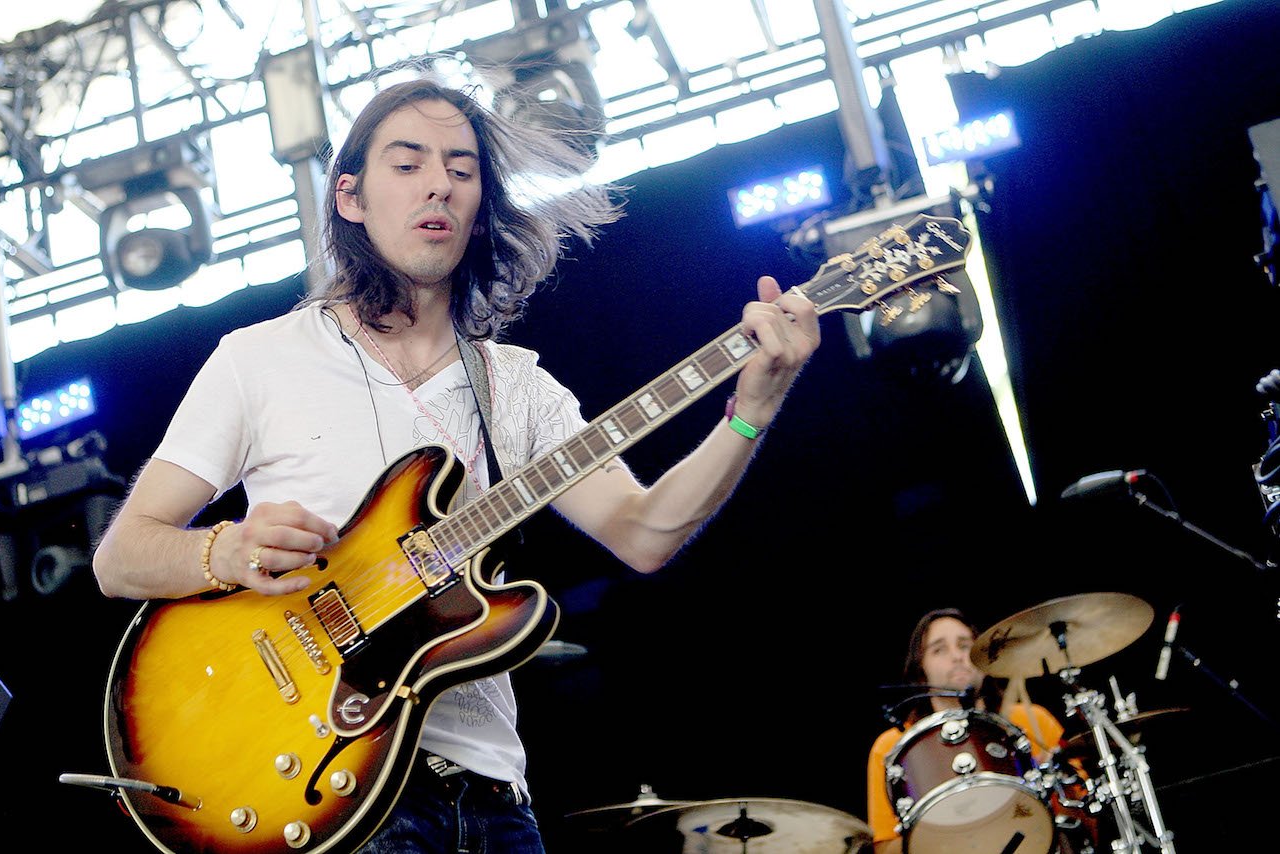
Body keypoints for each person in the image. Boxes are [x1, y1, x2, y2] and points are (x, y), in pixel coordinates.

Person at [91, 71, 820, 854]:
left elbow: (644, 534)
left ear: (478, 214)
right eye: (407, 165)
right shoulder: (260, 359)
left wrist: (753, 413)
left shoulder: (518, 387)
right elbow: (121, 558)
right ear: (350, 198)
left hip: (493, 802)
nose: (438, 185)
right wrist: (224, 549)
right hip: (329, 793)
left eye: (462, 170)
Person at [865, 608, 1081, 854]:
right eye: (939, 649)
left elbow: (1084, 812)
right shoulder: (892, 746)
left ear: (982, 656)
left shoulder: (1032, 721)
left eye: (965, 645)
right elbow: (883, 847)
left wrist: (1055, 783)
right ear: (920, 667)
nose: (957, 656)